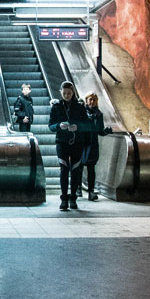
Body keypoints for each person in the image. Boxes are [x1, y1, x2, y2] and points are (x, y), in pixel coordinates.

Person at [48, 81, 88, 211]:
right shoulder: (56, 107)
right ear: (60, 92)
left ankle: (73, 198)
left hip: (77, 142)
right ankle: (64, 198)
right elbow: (51, 126)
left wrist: (78, 127)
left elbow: (86, 124)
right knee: (64, 169)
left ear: (73, 93)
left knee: (75, 169)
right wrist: (59, 126)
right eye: (64, 93)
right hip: (62, 142)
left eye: (69, 93)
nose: (66, 95)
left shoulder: (80, 107)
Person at [83, 93, 113, 201]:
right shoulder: (81, 112)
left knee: (91, 168)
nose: (92, 102)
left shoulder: (99, 114)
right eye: (90, 99)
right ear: (86, 100)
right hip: (82, 143)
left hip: (93, 144)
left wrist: (106, 131)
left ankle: (91, 191)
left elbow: (100, 131)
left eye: (94, 100)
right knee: (78, 167)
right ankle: (77, 188)